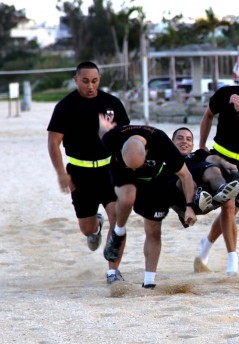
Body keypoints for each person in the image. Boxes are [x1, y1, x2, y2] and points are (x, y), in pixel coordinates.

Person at [98, 121, 212, 289]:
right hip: (123, 174)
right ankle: (119, 232)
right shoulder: (112, 139)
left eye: (139, 165)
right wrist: (103, 126)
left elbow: (186, 176)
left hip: (154, 180)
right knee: (128, 196)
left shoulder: (162, 143)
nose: (136, 169)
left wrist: (190, 206)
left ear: (147, 152)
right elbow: (102, 135)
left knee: (153, 229)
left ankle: (149, 281)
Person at [47, 61, 130, 285]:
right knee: (87, 229)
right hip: (79, 173)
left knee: (117, 217)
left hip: (109, 170)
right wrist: (60, 173)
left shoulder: (111, 103)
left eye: (94, 81)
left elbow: (128, 136)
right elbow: (53, 141)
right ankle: (96, 226)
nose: (90, 86)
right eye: (85, 81)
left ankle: (113, 272)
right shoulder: (65, 106)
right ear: (76, 80)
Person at [195, 61, 239, 275]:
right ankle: (232, 262)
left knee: (230, 214)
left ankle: (205, 247)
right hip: (219, 158)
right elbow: (208, 116)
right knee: (227, 208)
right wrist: (201, 145)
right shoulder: (225, 93)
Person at [170, 127, 239, 227]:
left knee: (212, 169)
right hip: (185, 191)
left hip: (206, 182)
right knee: (185, 179)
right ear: (171, 143)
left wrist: (226, 164)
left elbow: (213, 158)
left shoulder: (198, 154)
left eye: (188, 139)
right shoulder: (166, 162)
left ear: (192, 146)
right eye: (180, 138)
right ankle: (197, 198)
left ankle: (222, 188)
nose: (184, 142)